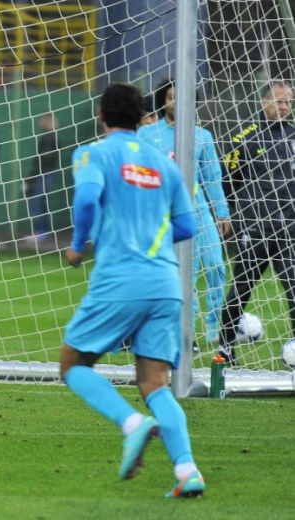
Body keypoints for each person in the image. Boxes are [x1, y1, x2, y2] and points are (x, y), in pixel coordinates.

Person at [62, 83, 204, 498]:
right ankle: (187, 471)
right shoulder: (165, 164)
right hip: (166, 283)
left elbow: (87, 198)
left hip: (122, 278)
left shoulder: (93, 153)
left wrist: (77, 244)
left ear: (102, 116)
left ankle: (131, 423)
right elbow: (188, 227)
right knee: (155, 384)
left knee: (72, 364)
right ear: (142, 117)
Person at [138, 79, 230, 346]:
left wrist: (221, 213)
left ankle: (214, 327)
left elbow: (213, 178)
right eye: (170, 97)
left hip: (198, 209)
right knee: (183, 275)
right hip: (164, 214)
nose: (176, 101)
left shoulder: (203, 136)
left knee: (215, 265)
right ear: (163, 101)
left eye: (181, 96)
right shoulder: (146, 135)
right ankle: (186, 332)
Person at [218, 80, 295, 365]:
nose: (285, 107)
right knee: (242, 288)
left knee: (294, 287)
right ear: (264, 103)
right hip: (255, 228)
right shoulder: (245, 139)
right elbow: (228, 183)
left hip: (289, 228)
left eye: (288, 102)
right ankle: (225, 346)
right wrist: (230, 215)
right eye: (279, 101)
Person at [24, 114, 60, 243]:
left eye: (42, 120)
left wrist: (35, 174)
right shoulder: (48, 137)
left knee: (38, 202)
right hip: (44, 173)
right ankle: (42, 231)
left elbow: (46, 159)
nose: (39, 122)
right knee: (41, 202)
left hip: (44, 174)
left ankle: (42, 231)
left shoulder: (50, 138)